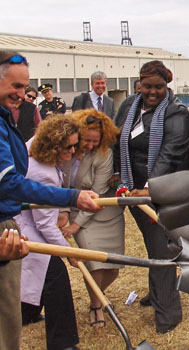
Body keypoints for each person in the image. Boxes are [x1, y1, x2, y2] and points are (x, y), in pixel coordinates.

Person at [0, 50, 100, 350]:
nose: (22, 94)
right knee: (38, 291)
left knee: (17, 298)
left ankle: (40, 322)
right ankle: (64, 342)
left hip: (15, 223)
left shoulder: (8, 121)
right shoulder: (42, 170)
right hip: (14, 229)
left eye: (24, 87)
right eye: (15, 87)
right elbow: (9, 182)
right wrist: (72, 199)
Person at [113, 60, 189, 333]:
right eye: (147, 86)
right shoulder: (129, 106)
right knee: (153, 244)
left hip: (166, 193)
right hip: (135, 192)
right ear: (139, 84)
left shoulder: (177, 114)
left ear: (167, 85)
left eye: (159, 86)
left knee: (162, 251)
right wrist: (117, 173)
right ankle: (157, 293)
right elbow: (117, 138)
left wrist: (151, 188)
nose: (152, 92)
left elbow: (169, 155)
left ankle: (168, 314)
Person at [15, 114, 84, 350]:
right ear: (53, 145)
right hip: (25, 230)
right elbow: (45, 225)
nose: (73, 151)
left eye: (76, 145)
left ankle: (28, 314)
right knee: (56, 277)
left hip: (28, 226)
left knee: (40, 277)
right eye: (69, 146)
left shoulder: (37, 148)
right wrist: (69, 252)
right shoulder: (41, 172)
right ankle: (63, 343)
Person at [60, 108, 123, 328]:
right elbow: (62, 184)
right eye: (87, 140)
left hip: (104, 211)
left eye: (96, 141)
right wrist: (66, 214)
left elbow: (95, 195)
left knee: (113, 268)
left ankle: (99, 297)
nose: (91, 145)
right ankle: (96, 306)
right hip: (78, 209)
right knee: (94, 265)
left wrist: (76, 225)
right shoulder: (67, 150)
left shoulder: (104, 154)